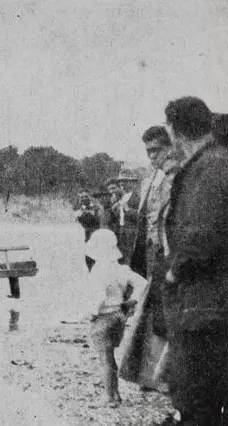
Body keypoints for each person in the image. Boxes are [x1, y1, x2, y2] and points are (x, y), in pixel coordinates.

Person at [162, 96, 228, 425]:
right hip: (208, 307)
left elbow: (202, 235)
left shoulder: (209, 168)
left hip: (204, 309)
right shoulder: (213, 163)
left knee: (197, 404)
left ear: (174, 131)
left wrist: (175, 271)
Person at [120, 125, 179, 392]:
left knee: (166, 315)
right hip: (152, 255)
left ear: (169, 147)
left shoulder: (175, 176)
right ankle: (151, 375)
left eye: (156, 150)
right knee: (153, 314)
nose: (152, 156)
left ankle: (164, 377)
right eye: (148, 152)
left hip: (168, 255)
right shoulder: (151, 177)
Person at [86, 229, 145, 408]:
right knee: (110, 356)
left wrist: (92, 313)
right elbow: (142, 283)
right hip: (119, 315)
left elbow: (100, 296)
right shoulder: (120, 269)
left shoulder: (98, 270)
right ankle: (115, 394)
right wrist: (132, 301)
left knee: (105, 358)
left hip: (103, 316)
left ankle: (109, 396)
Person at [106, 171, 141, 264]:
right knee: (120, 257)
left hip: (132, 232)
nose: (122, 183)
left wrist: (127, 209)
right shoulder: (120, 197)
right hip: (121, 231)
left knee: (130, 257)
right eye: (121, 181)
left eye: (125, 181)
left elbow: (140, 216)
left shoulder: (137, 197)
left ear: (131, 183)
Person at [74, 188, 108, 270]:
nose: (84, 198)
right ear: (79, 199)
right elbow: (77, 228)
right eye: (81, 197)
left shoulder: (98, 208)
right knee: (88, 260)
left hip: (97, 236)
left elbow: (102, 223)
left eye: (86, 196)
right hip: (86, 238)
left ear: (90, 197)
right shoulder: (78, 212)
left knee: (99, 259)